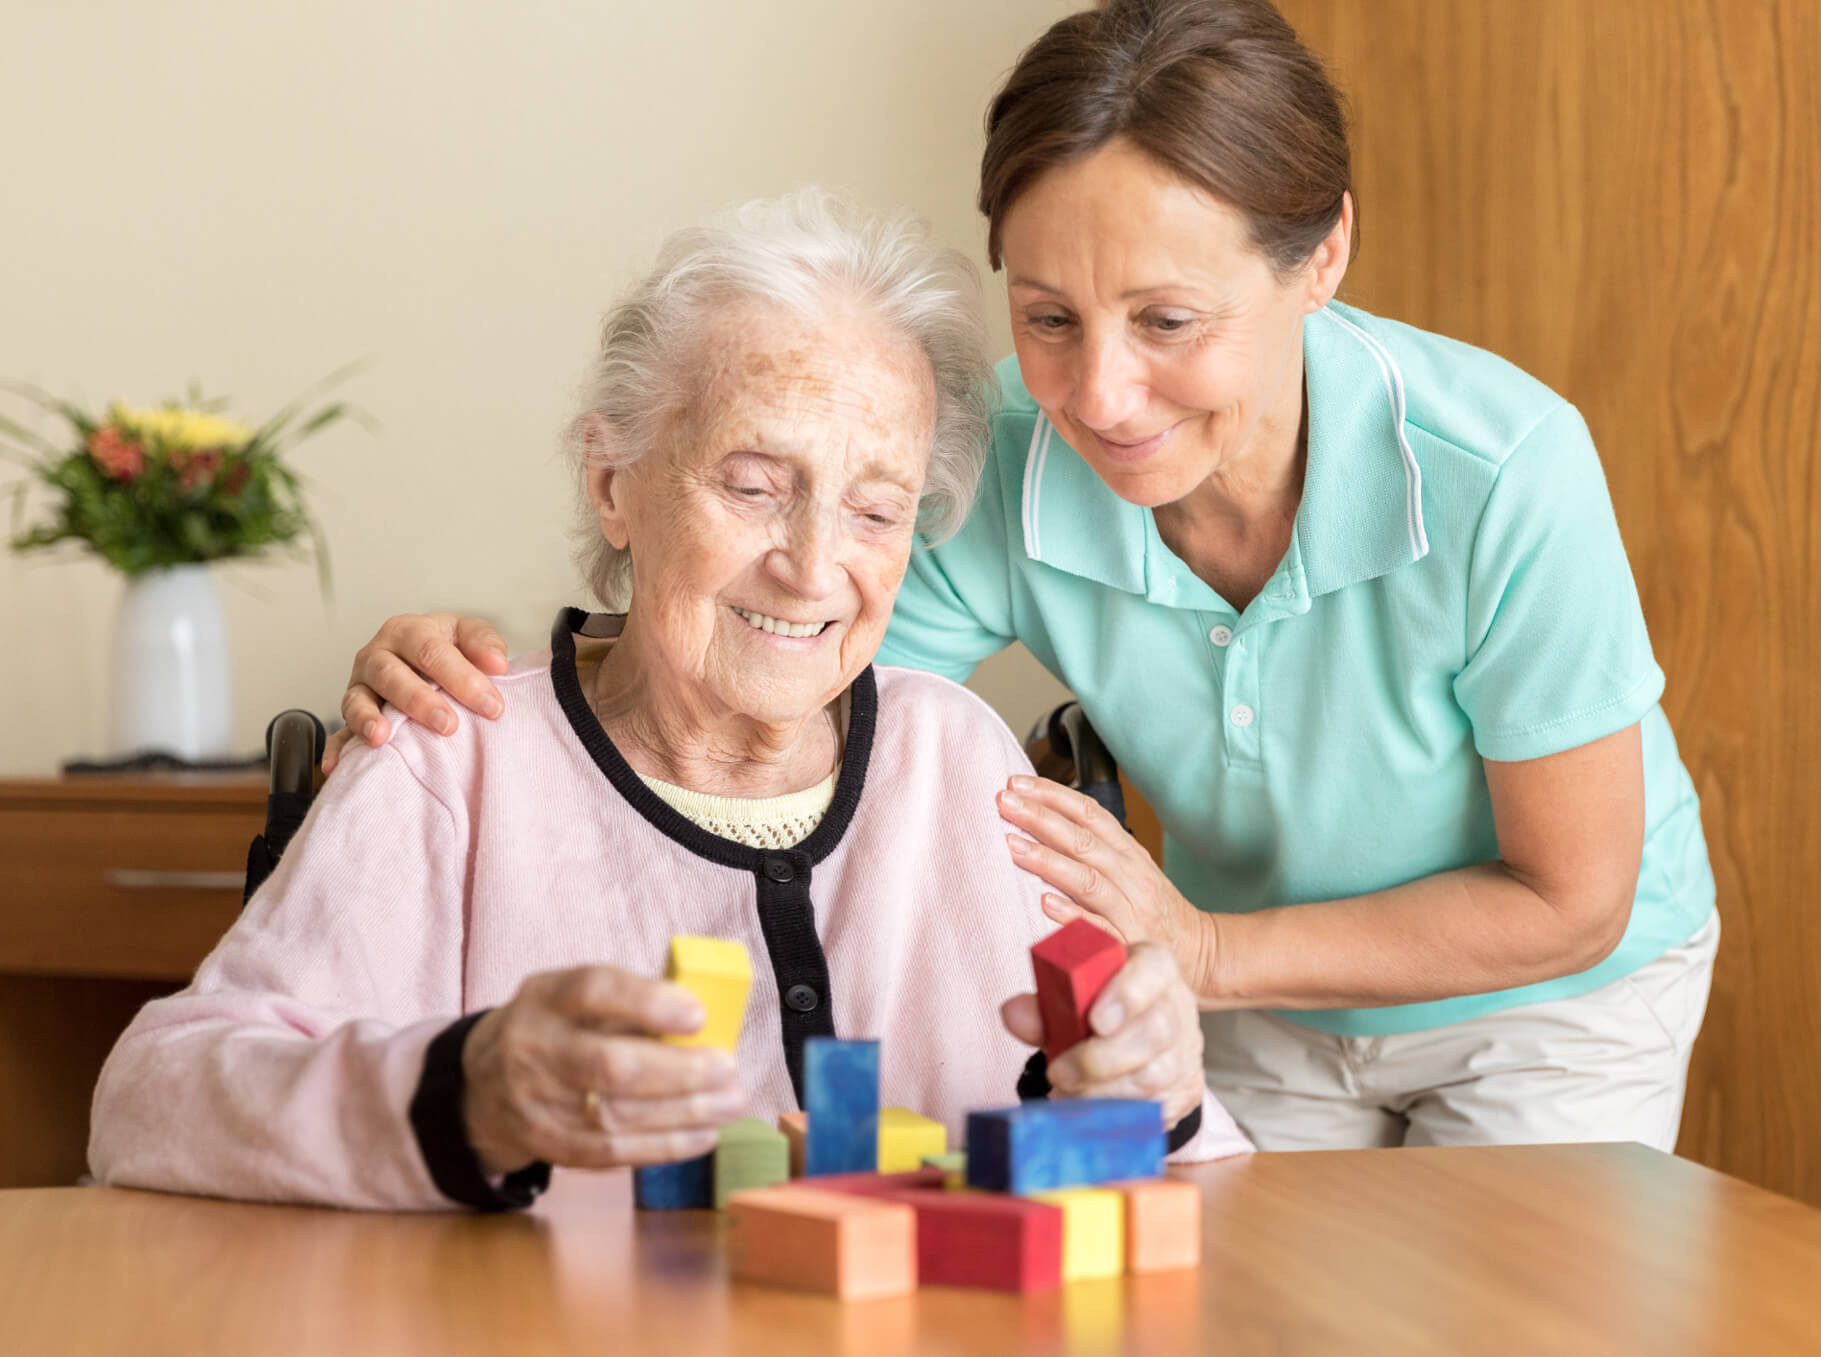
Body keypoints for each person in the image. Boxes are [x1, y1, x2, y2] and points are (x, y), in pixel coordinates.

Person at [326, 0, 1718, 1153]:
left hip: (1552, 995)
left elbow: (1569, 897)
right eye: (1047, 315)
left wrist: (1208, 957)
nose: (1101, 394)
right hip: (1253, 1000)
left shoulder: (1500, 468)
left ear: (1323, 259)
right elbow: (789, 677)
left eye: (1169, 320)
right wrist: (515, 681)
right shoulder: (1001, 447)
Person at [89, 188, 1249, 1213]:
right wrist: (469, 1094)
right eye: (754, 486)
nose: (810, 563)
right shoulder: (454, 750)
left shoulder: (958, 761)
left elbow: (1183, 1165)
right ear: (614, 483)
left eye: (875, 508)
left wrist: (1156, 1089)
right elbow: (150, 1100)